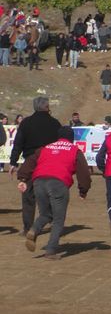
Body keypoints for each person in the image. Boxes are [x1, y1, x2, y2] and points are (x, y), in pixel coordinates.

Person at [17, 126, 92, 260]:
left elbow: (30, 161)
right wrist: (83, 190)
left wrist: (22, 178)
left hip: (38, 181)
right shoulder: (75, 150)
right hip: (58, 182)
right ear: (71, 138)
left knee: (46, 214)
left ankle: (34, 229)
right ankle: (51, 250)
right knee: (58, 219)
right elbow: (84, 172)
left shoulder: (45, 148)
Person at [9, 97, 62, 235]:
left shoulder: (26, 123)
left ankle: (28, 227)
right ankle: (51, 222)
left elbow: (18, 143)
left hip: (30, 162)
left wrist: (13, 162)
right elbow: (61, 144)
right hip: (50, 162)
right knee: (51, 193)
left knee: (28, 196)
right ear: (46, 107)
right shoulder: (55, 123)